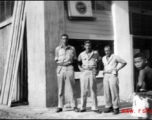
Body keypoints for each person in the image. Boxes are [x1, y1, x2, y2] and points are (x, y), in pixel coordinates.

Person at [54, 34, 79, 113]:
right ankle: (60, 106)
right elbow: (56, 59)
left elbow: (75, 58)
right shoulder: (57, 49)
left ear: (68, 39)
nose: (64, 40)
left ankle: (74, 105)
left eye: (66, 39)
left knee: (72, 87)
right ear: (61, 40)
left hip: (69, 67)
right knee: (60, 88)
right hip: (60, 68)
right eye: (63, 39)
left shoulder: (72, 49)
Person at [77, 40, 102, 113]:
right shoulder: (81, 54)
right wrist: (80, 69)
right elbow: (78, 62)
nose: (88, 47)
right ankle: (83, 107)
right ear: (84, 46)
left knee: (93, 90)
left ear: (91, 46)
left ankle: (94, 107)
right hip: (84, 72)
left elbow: (100, 61)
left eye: (89, 45)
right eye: (86, 46)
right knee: (84, 90)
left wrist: (98, 70)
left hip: (92, 71)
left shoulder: (95, 53)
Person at [102, 45, 127, 114]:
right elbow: (105, 66)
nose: (107, 52)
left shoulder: (115, 57)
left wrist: (117, 69)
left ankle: (116, 107)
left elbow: (124, 62)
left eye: (108, 50)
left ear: (111, 50)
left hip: (113, 75)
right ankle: (108, 106)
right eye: (105, 51)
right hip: (106, 75)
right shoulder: (103, 58)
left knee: (114, 92)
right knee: (106, 92)